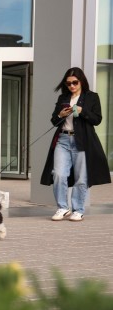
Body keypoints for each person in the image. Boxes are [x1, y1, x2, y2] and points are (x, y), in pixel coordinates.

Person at [40, 67, 111, 221]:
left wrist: (82, 110)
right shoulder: (63, 98)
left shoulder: (91, 97)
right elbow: (54, 120)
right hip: (63, 140)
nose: (71, 86)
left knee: (81, 177)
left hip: (82, 141)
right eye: (68, 83)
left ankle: (78, 210)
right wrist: (61, 114)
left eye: (75, 82)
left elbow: (97, 119)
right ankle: (62, 207)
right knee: (58, 174)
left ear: (81, 81)